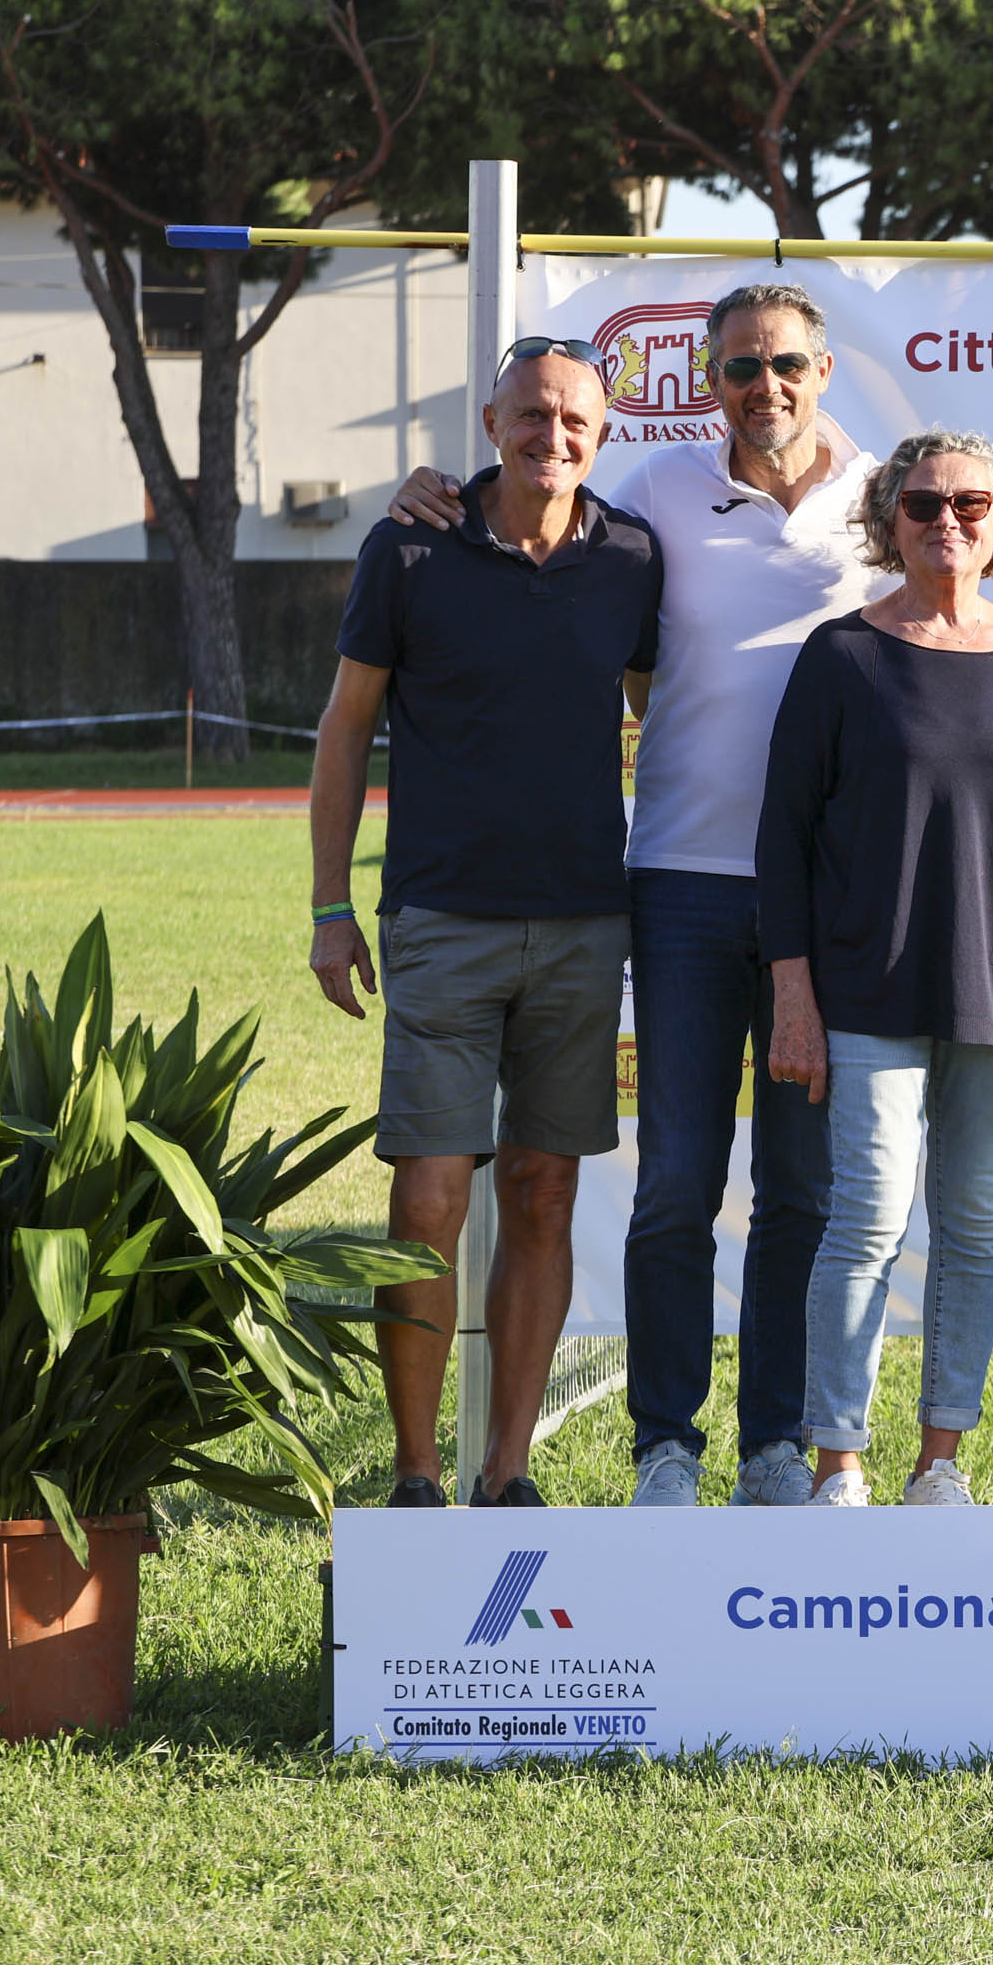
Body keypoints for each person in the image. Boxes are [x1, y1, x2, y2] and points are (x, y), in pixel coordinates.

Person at [388, 282, 884, 1512]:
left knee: (801, 1192)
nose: (764, 386)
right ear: (708, 380)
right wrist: (430, 491)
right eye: (739, 367)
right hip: (678, 883)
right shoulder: (657, 489)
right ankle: (667, 1440)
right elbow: (533, 504)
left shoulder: (887, 501)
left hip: (827, 906)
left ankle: (774, 1443)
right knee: (673, 1188)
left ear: (823, 371)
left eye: (786, 364)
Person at [309, 340, 662, 1508]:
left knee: (545, 1191)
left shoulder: (632, 557)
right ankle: (416, 1472)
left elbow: (658, 710)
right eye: (531, 414)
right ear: (492, 421)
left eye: (575, 419)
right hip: (440, 917)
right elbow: (344, 727)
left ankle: (507, 1470)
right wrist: (329, 906)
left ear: (603, 434)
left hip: (582, 923)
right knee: (428, 1198)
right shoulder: (410, 545)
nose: (552, 436)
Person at [758, 430, 993, 1509]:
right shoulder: (840, 656)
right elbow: (782, 842)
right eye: (921, 503)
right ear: (887, 522)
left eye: (969, 504)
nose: (946, 519)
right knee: (866, 1222)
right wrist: (794, 999)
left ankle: (939, 1462)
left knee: (974, 1231)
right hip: (865, 991)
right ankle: (839, 1463)